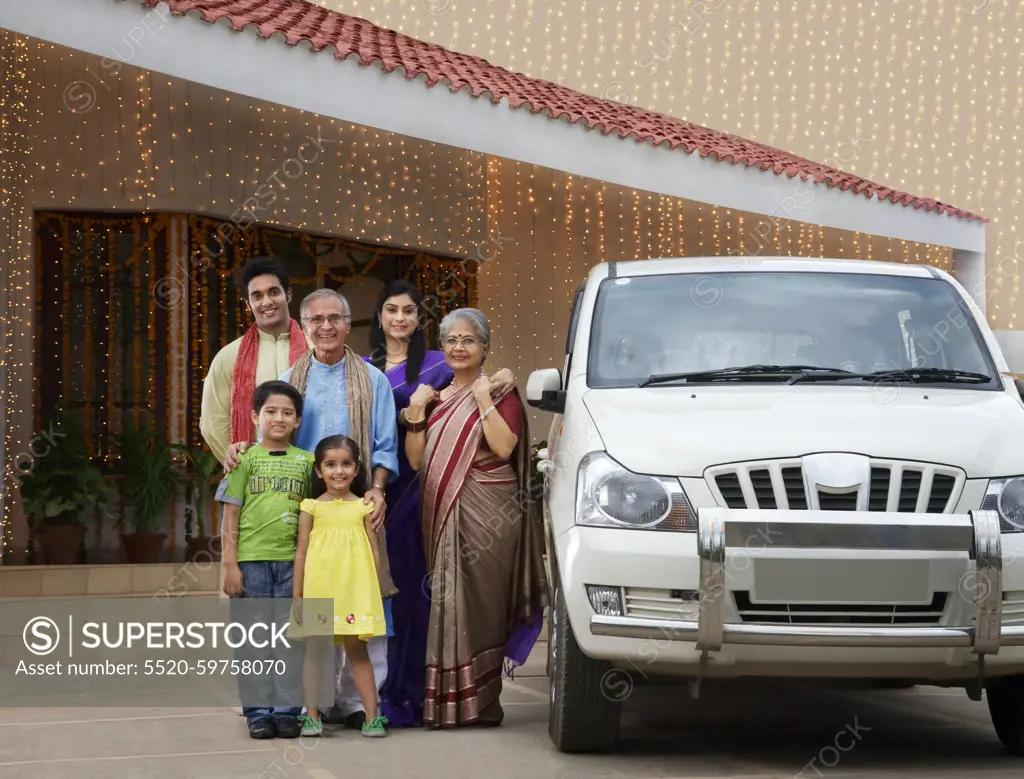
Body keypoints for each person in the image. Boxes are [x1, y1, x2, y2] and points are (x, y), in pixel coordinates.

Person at [223, 288, 399, 730]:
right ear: (305, 324)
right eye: (316, 319)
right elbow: (273, 432)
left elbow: (383, 445)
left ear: (347, 321)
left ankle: (359, 704)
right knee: (311, 613)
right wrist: (244, 446)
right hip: (308, 513)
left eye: (335, 318)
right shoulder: (291, 377)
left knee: (362, 602)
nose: (326, 327)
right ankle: (307, 705)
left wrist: (376, 489)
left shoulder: (373, 379)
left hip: (358, 511)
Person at [363, 280, 516, 728]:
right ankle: (357, 692)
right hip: (381, 490)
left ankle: (421, 689)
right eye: (391, 309)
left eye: (409, 310)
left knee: (421, 594)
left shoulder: (435, 366)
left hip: (432, 494)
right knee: (373, 594)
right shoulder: (365, 369)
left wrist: (500, 380)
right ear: (379, 317)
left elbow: (488, 389)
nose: (400, 318)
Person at [405, 308, 548, 728]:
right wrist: (416, 412)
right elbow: (417, 462)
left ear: (485, 347)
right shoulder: (434, 397)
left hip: (491, 514)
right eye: (451, 340)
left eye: (468, 340)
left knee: (482, 604)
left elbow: (504, 447)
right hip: (440, 509)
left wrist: (483, 396)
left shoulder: (502, 393)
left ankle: (484, 700)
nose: (459, 347)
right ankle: (450, 703)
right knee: (448, 601)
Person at [216, 380, 315, 740]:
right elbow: (229, 517)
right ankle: (258, 712)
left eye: (287, 412)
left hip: (294, 565)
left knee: (292, 639)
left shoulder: (308, 464)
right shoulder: (243, 460)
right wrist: (230, 565)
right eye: (271, 411)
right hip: (252, 564)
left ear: (298, 421)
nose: (279, 418)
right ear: (256, 415)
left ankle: (287, 711)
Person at [290, 435, 389, 738]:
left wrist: (372, 592)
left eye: (346, 464)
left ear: (357, 468)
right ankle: (311, 715)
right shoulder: (310, 508)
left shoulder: (363, 507)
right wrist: (298, 595)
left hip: (354, 594)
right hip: (320, 591)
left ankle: (372, 717)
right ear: (319, 471)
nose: (339, 471)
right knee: (315, 651)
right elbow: (302, 552)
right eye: (330, 465)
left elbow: (374, 551)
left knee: (357, 651)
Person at [200, 257, 309, 465]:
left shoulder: (315, 350)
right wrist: (246, 464)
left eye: (274, 292)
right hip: (253, 477)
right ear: (248, 304)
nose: (266, 302)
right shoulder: (229, 356)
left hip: (309, 471)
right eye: (257, 296)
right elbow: (213, 421)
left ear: (288, 294)